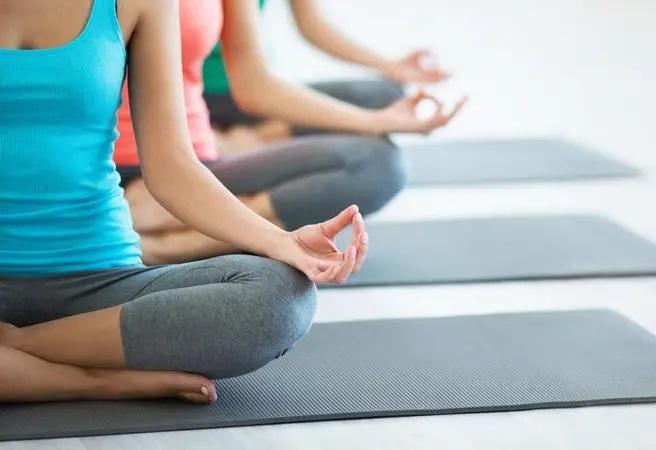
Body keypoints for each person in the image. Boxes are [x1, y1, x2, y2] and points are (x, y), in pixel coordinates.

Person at [0, 0, 366, 404]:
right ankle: (94, 378)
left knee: (282, 296)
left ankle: (18, 350)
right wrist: (97, 383)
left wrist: (282, 242)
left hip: (99, 283)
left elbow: (172, 166)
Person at [114, 0, 465, 265]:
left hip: (197, 154)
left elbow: (257, 81)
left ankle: (170, 233)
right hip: (147, 159)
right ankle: (169, 231)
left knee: (378, 158)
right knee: (377, 164)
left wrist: (380, 115)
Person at [202, 0, 452, 145]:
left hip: (257, 87)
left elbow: (313, 25)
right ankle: (244, 140)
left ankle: (259, 135)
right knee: (374, 130)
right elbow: (254, 88)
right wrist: (374, 122)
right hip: (212, 93)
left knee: (385, 95)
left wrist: (390, 66)